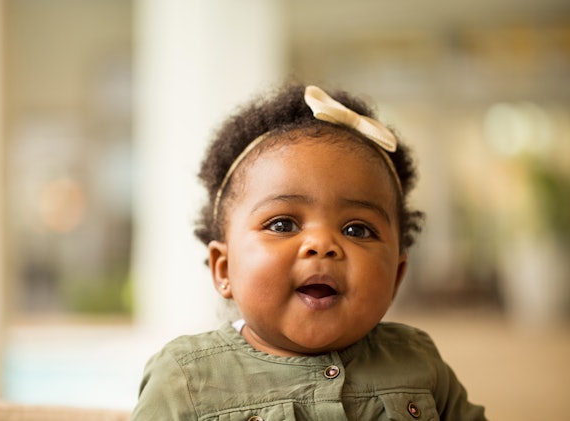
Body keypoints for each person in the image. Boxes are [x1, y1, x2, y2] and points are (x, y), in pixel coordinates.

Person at [131, 83, 486, 420]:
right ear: (224, 270)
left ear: (395, 276)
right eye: (283, 224)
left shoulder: (416, 359)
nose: (323, 244)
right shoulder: (188, 378)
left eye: (356, 229)